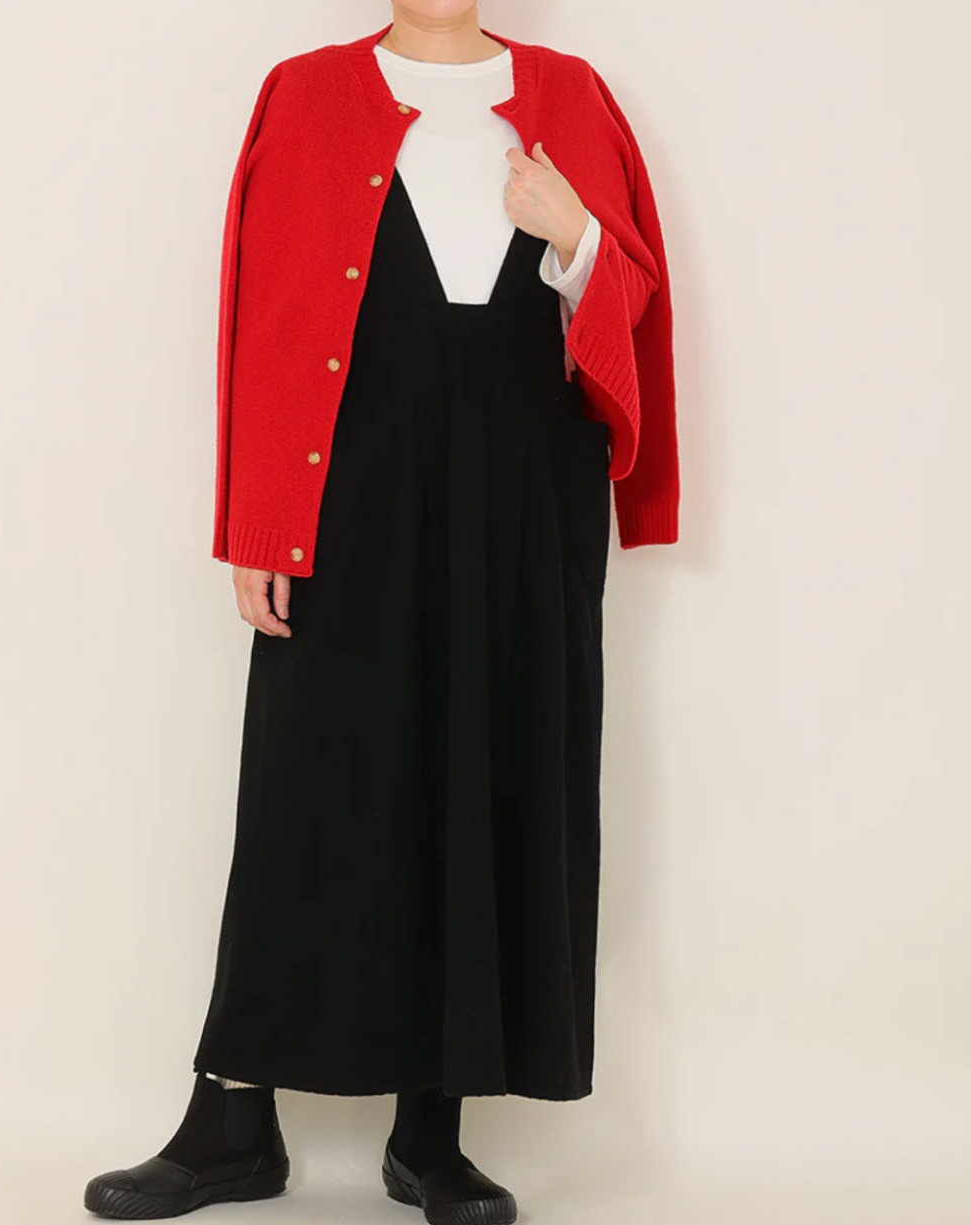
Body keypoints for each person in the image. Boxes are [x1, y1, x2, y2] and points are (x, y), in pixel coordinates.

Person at [84, 3, 679, 1220]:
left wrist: (574, 235)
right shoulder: (305, 91)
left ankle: (432, 1132)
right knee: (309, 777)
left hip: (526, 490)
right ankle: (232, 1119)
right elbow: (261, 309)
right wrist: (258, 520)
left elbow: (631, 311)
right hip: (345, 482)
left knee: (488, 773)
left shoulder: (574, 93)